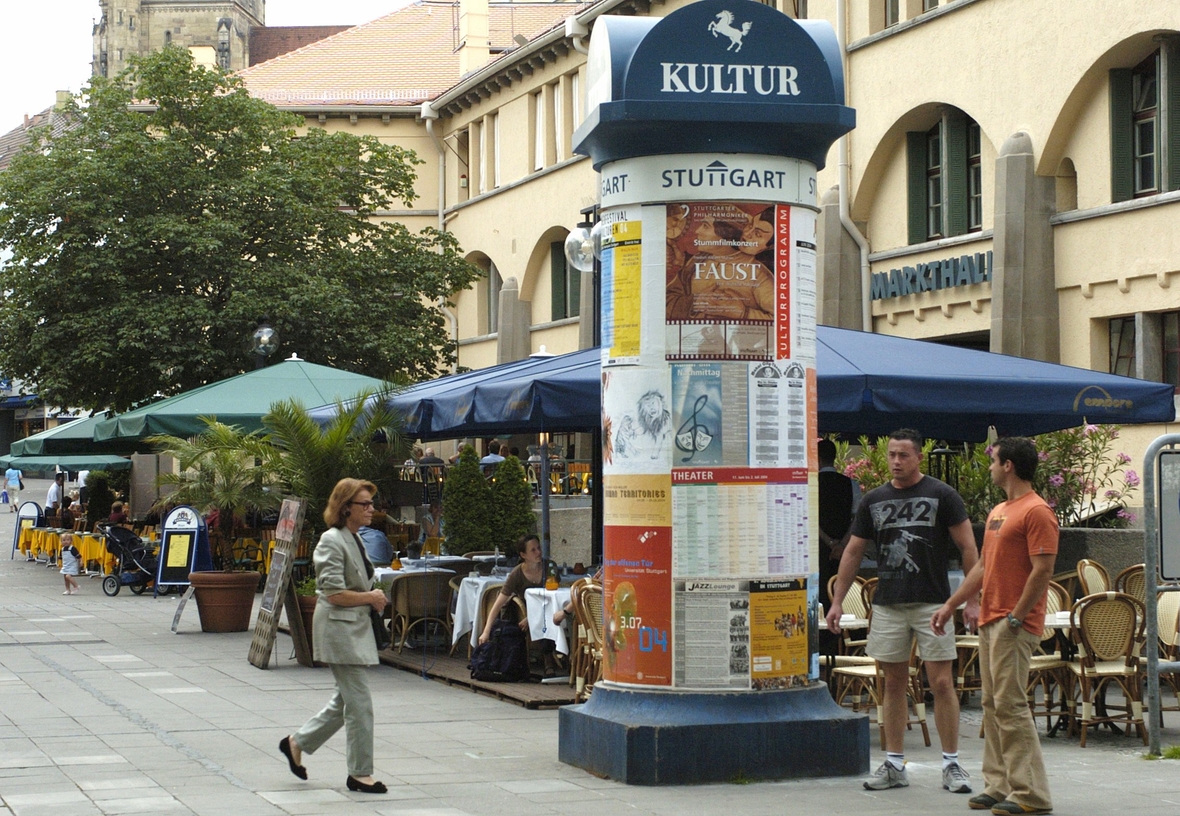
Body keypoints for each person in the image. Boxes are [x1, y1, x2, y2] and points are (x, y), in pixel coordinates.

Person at [825, 428, 979, 794]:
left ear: (918, 457)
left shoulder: (942, 494)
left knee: (940, 682)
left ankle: (952, 763)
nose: (895, 461)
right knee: (892, 683)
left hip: (933, 603)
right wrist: (836, 600)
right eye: (892, 454)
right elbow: (852, 551)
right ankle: (894, 764)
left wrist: (972, 599)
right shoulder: (874, 500)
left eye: (903, 455)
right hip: (889, 603)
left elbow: (969, 547)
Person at [931, 438, 1056, 815]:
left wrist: (1018, 615)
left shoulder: (1037, 512)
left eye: (993, 460)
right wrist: (952, 603)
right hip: (990, 618)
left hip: (1013, 622)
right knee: (992, 704)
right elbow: (983, 567)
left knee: (1011, 706)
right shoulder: (1000, 510)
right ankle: (999, 785)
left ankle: (1031, 794)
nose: (989, 466)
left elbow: (1043, 570)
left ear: (1009, 466)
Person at [280, 479, 389, 795]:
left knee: (345, 701)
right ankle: (360, 773)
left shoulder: (353, 538)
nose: (371, 509)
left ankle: (296, 743)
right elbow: (332, 593)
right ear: (346, 508)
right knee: (360, 704)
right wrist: (371, 597)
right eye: (364, 504)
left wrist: (370, 595)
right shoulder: (332, 540)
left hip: (352, 630)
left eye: (371, 503)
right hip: (340, 631)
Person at [479, 534, 559, 677]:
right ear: (523, 555)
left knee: (556, 615)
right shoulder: (517, 574)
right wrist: (486, 631)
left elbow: (554, 596)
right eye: (533, 550)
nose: (539, 552)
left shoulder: (550, 567)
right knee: (546, 620)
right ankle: (548, 661)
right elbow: (498, 604)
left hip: (549, 608)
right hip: (524, 612)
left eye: (539, 548)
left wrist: (532, 618)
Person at [817, 438, 858, 656]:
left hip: (820, 551)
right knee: (842, 592)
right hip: (844, 552)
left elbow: (810, 519)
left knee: (822, 596)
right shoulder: (849, 484)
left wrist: (828, 541)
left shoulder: (811, 484)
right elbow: (857, 518)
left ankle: (822, 648)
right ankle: (840, 647)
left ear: (817, 458)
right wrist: (841, 543)